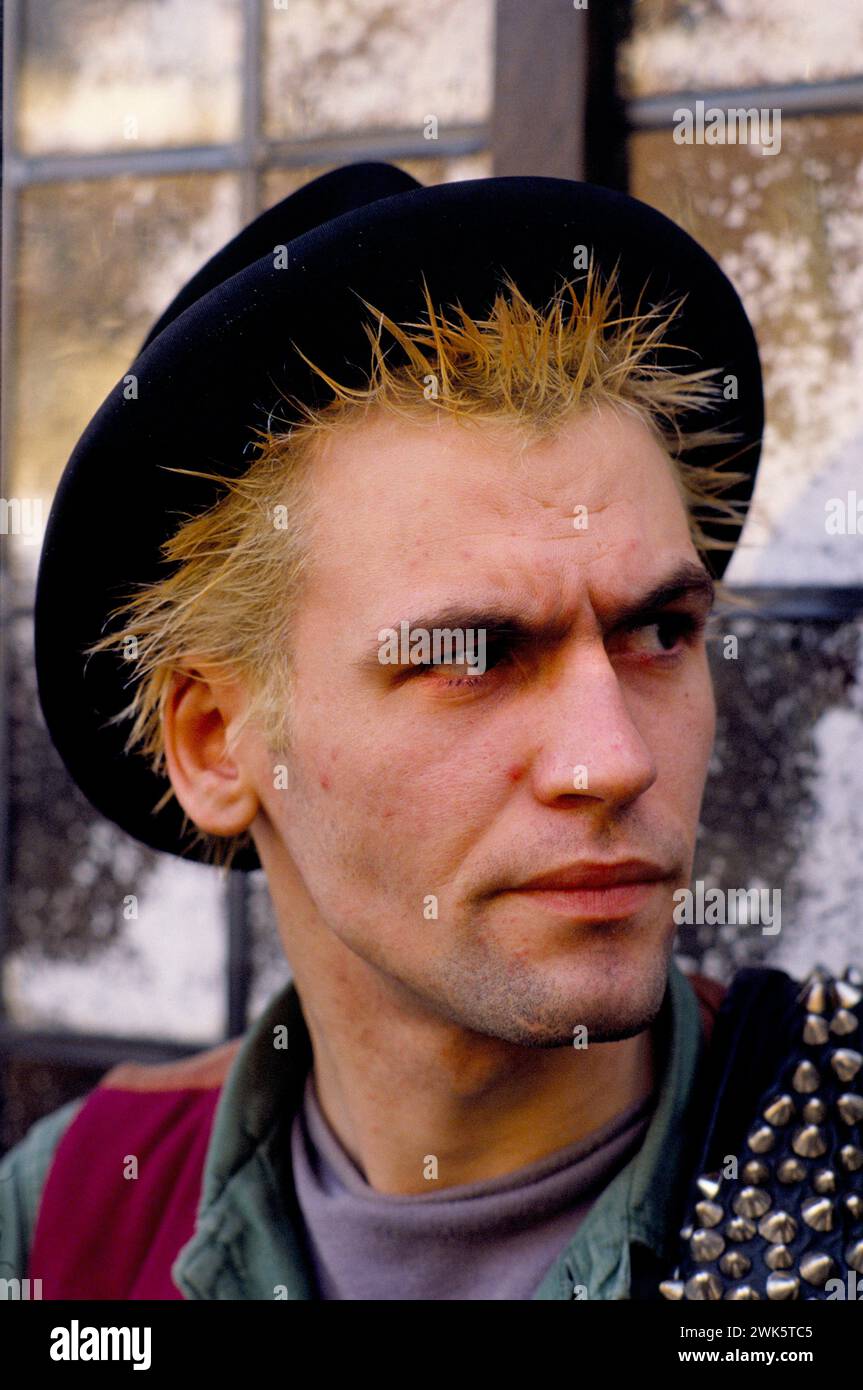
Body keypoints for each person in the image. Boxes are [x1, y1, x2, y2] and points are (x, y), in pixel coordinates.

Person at [2, 163, 859, 1301]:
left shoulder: (826, 1146)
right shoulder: (69, 1228)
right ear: (215, 742)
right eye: (474, 655)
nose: (612, 758)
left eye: (657, 629)